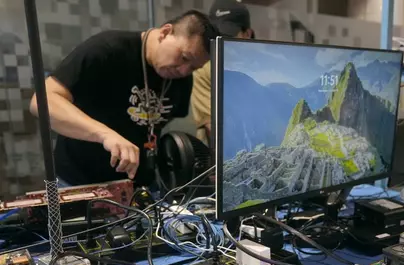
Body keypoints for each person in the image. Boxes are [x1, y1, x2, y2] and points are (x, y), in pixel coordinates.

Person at [30, 10, 218, 186]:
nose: (184, 70)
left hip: (138, 187)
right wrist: (104, 134)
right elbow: (42, 101)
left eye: (194, 67)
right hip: (79, 183)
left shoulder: (182, 79)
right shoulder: (107, 49)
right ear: (165, 32)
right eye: (184, 57)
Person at [191, 0, 254, 145]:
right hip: (215, 155)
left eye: (227, 36)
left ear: (247, 34)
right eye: (214, 37)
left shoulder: (260, 66)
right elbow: (213, 128)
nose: (220, 42)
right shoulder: (204, 69)